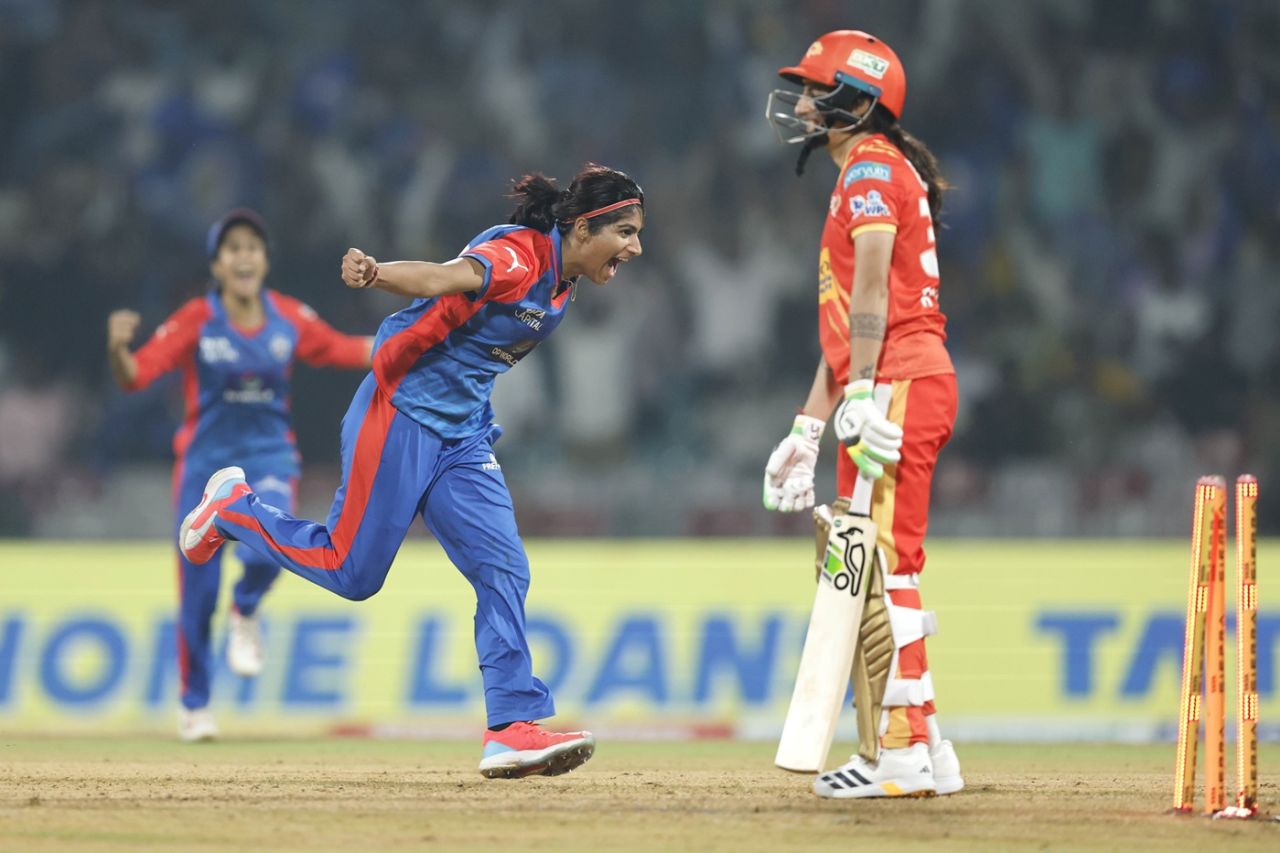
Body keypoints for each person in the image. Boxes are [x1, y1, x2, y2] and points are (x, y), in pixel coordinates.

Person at [175, 164, 645, 779]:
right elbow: (445, 276)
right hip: (399, 412)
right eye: (628, 232)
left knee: (503, 568)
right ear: (585, 227)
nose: (636, 247)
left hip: (464, 432)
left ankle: (509, 727)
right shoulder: (519, 260)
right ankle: (234, 508)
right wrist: (378, 274)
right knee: (352, 574)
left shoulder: (563, 279)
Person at [762, 30, 964, 798]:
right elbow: (846, 323)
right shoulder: (871, 170)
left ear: (858, 101)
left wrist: (862, 393)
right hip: (893, 380)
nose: (805, 102)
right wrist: (806, 428)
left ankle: (902, 752)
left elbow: (875, 291)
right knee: (885, 563)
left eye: (819, 88)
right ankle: (929, 749)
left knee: (880, 567)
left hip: (900, 382)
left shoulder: (872, 168)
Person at [107, 208, 373, 742]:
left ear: (266, 260)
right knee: (197, 594)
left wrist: (413, 341)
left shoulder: (289, 317)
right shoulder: (195, 320)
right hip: (203, 468)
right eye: (233, 248)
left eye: (253, 246)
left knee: (265, 553)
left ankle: (246, 608)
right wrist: (117, 348)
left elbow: (346, 349)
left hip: (269, 459)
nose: (245, 255)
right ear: (218, 265)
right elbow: (136, 377)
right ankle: (194, 705)